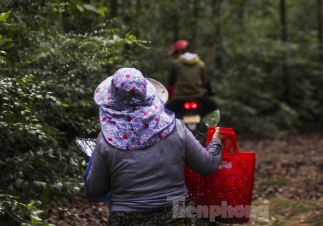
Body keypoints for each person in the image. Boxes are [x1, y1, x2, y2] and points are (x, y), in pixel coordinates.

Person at [84, 67, 224, 226]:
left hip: (126, 219)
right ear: (147, 94)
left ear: (112, 100)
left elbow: (95, 190)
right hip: (175, 217)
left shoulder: (106, 141)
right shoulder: (177, 128)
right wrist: (216, 142)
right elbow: (207, 166)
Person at [165, 40, 218, 114]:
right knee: (214, 108)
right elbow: (205, 81)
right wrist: (210, 91)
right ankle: (203, 124)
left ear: (179, 52)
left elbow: (171, 81)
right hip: (198, 96)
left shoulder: (176, 64)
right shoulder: (200, 64)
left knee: (165, 111)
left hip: (180, 97)